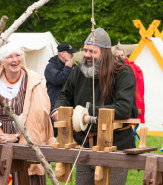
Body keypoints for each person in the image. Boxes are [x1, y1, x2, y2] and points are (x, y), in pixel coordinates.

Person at [51, 28, 137, 185]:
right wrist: (58, 109)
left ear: (104, 52)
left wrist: (87, 111)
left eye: (92, 51)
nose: (86, 55)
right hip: (84, 146)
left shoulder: (123, 73)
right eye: (85, 50)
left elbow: (123, 107)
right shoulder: (79, 71)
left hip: (115, 146)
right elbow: (65, 96)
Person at [0, 42, 56, 185]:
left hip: (27, 135)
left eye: (18, 55)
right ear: (1, 62)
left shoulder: (34, 81)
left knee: (28, 175)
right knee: (2, 174)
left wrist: (15, 135)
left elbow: (37, 111)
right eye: (10, 57)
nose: (15, 60)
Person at [44, 43, 77, 137]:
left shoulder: (70, 66)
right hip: (54, 104)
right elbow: (57, 80)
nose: (72, 55)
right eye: (70, 53)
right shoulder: (50, 67)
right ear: (62, 54)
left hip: (67, 103)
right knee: (53, 134)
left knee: (67, 134)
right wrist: (67, 68)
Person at [113, 44, 145, 124]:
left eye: (122, 55)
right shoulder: (116, 69)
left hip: (130, 106)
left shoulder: (130, 69)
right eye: (118, 56)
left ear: (125, 56)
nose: (121, 57)